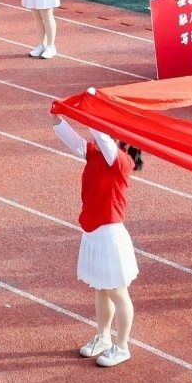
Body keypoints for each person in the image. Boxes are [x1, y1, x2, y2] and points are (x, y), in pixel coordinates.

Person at [52, 114, 141, 367]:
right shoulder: (94, 153)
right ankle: (103, 336)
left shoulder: (121, 161)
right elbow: (71, 138)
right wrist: (57, 116)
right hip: (93, 233)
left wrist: (90, 111)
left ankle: (122, 346)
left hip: (110, 236)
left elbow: (101, 136)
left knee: (117, 292)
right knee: (101, 289)